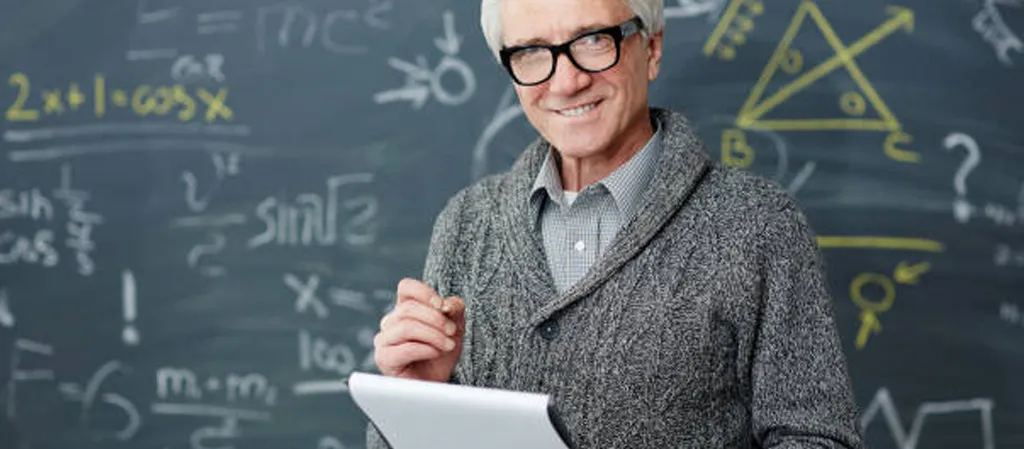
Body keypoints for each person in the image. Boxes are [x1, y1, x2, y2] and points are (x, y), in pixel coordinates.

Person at [368, 0, 865, 447]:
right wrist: (415, 398)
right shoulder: (466, 223)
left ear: (650, 48)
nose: (566, 81)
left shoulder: (757, 226)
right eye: (532, 52)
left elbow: (820, 441)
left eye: (592, 40)